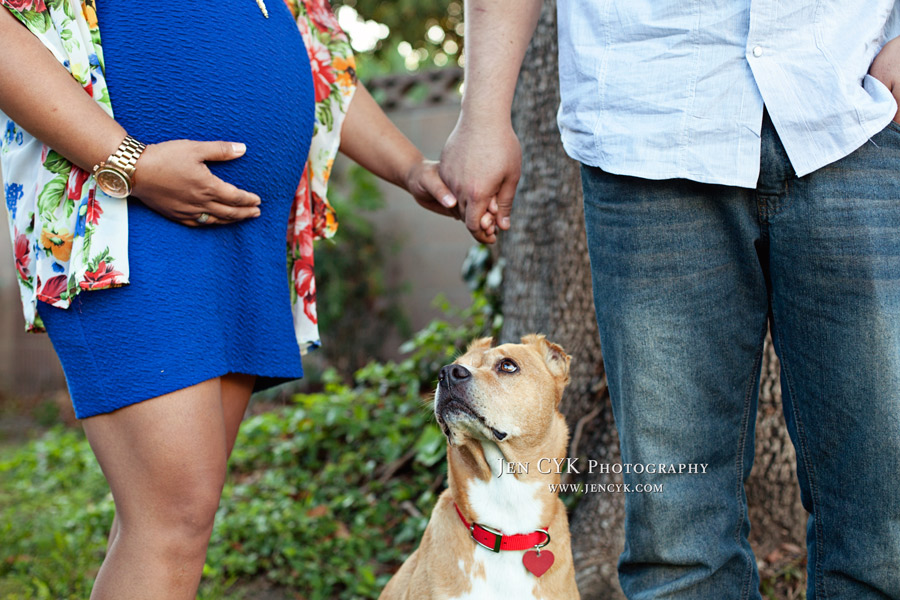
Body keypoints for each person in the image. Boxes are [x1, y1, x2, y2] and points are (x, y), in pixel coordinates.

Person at [1, 1, 461, 598]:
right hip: (125, 213)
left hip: (246, 234)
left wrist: (408, 168)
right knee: (173, 519)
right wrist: (131, 165)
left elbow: (316, 57)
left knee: (170, 522)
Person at [440, 1, 900, 598]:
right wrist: (482, 114)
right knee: (678, 545)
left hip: (855, 104)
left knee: (882, 530)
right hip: (649, 120)